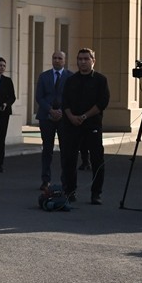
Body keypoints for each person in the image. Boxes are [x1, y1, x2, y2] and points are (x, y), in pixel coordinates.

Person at [60, 48, 110, 205]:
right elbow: (65, 101)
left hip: (92, 124)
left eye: (86, 59)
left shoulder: (100, 80)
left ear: (93, 60)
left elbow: (102, 102)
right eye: (80, 59)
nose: (82, 62)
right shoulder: (71, 80)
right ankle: (70, 191)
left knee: (97, 159)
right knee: (69, 159)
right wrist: (71, 117)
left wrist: (84, 116)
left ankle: (96, 193)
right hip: (72, 125)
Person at [34, 51, 71, 190]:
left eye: (59, 58)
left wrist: (62, 110)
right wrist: (50, 110)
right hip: (46, 116)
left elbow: (71, 97)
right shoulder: (44, 76)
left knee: (65, 150)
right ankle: (45, 180)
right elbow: (39, 97)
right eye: (54, 58)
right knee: (47, 150)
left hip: (64, 117)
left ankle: (65, 180)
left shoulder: (70, 76)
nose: (56, 60)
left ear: (64, 61)